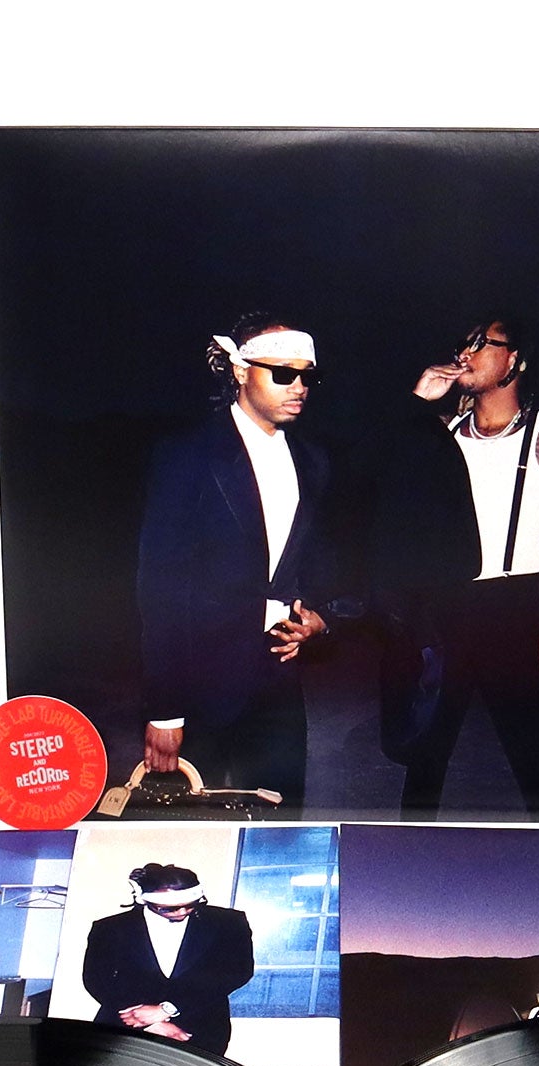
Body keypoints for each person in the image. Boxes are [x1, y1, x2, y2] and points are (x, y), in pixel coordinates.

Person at [372, 313, 539, 821]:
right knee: (424, 757)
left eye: (482, 344)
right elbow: (382, 479)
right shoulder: (442, 430)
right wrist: (417, 403)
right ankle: (409, 860)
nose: (465, 354)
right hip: (444, 608)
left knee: (534, 757)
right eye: (463, 344)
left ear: (514, 360)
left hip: (513, 609)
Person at [135, 312, 336, 814]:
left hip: (279, 678)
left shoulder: (313, 460)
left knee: (281, 821)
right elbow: (159, 587)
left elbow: (319, 559)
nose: (299, 387)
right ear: (241, 371)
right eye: (283, 374)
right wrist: (165, 711)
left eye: (307, 376)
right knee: (190, 830)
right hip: (200, 682)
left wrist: (320, 618)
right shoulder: (187, 455)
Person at [80, 863, 254, 1057]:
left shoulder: (228, 922)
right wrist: (148, 1022)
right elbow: (97, 980)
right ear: (144, 899)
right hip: (124, 1028)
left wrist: (168, 1009)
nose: (182, 912)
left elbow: (237, 971)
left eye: (191, 905)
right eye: (169, 909)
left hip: (201, 1028)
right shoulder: (109, 928)